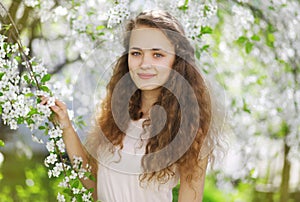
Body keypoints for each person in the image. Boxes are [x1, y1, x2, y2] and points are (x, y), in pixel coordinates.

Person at [42, 10, 220, 202]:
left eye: (157, 55)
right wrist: (66, 126)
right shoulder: (114, 117)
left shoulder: (188, 128)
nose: (144, 63)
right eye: (136, 53)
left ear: (176, 61)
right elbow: (94, 185)